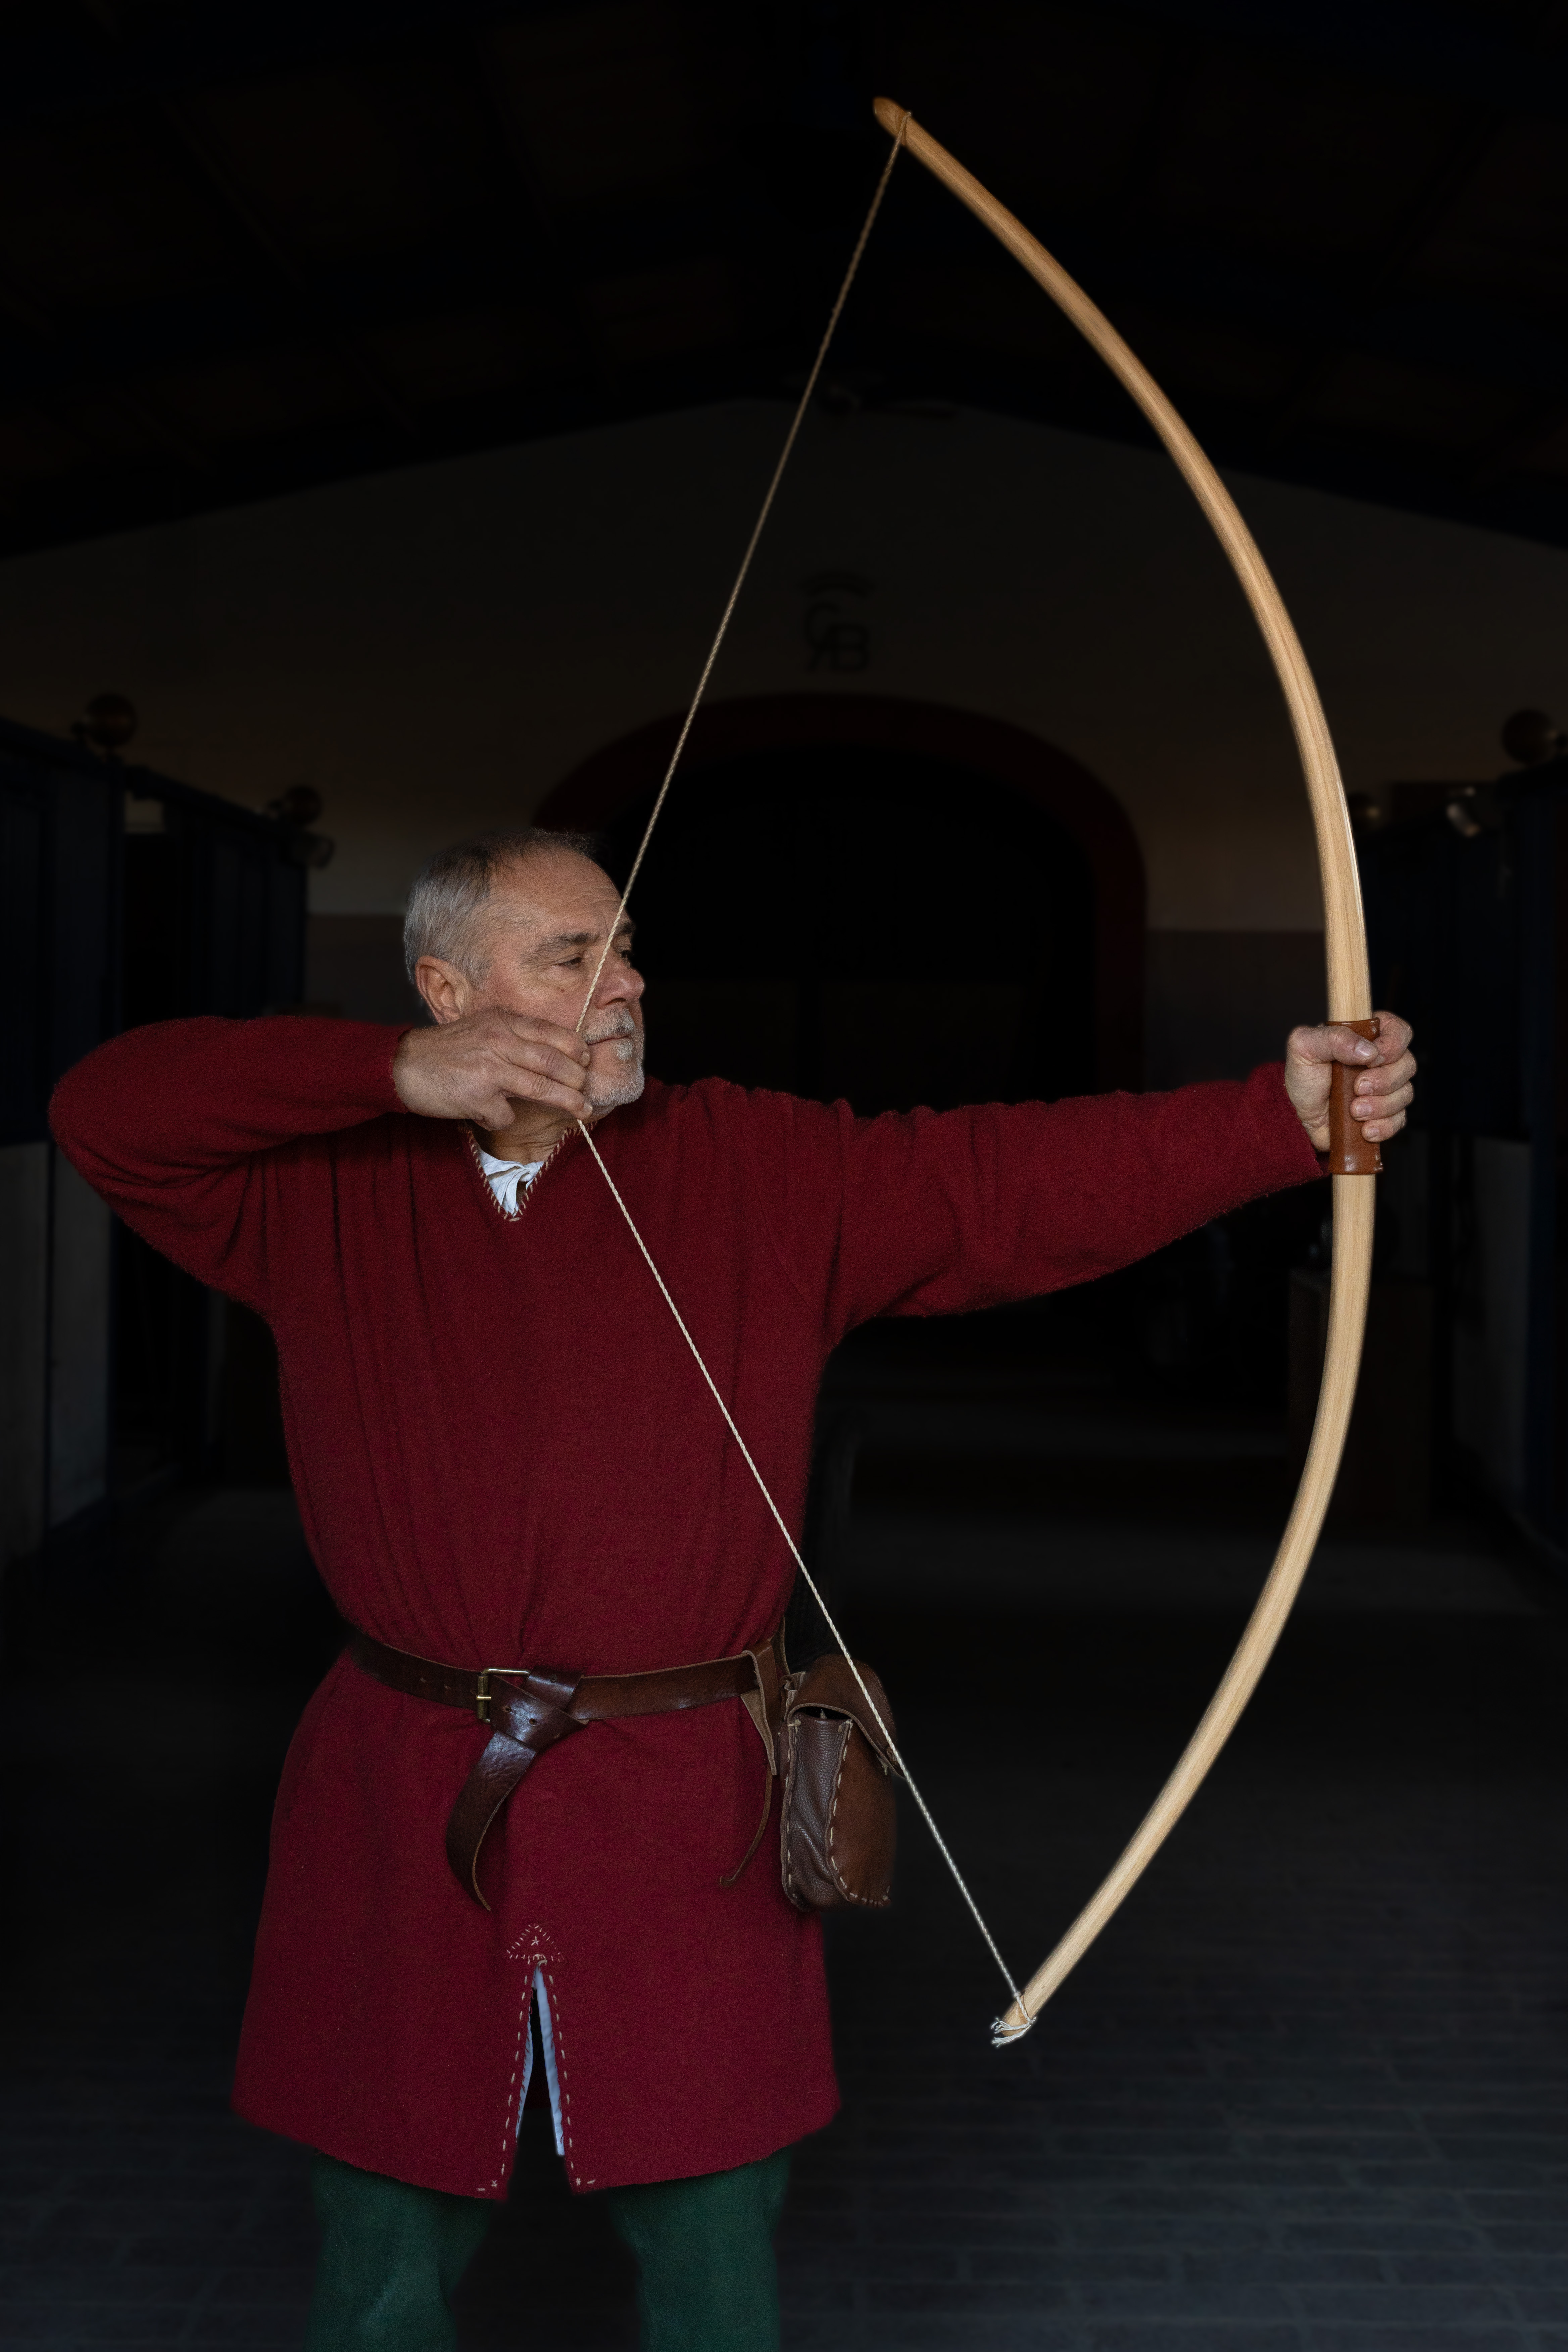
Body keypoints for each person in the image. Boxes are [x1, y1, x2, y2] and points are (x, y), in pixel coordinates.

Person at [51, 825, 1416, 2351]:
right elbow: (105, 1110)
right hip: (403, 1791)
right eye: (573, 957)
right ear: (448, 991)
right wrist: (388, 1075)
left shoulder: (756, 1163)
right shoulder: (319, 1192)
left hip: (685, 1802)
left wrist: (1272, 1119)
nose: (626, 984)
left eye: (628, 948)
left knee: (713, 2248)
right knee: (379, 2249)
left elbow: (999, 1185)